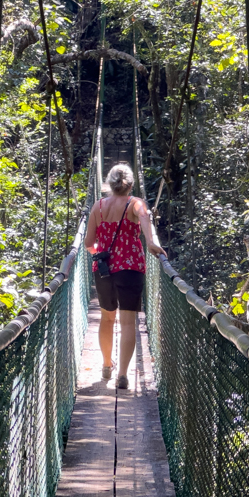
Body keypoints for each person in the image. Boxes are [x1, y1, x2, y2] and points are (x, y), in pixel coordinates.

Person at [84, 163, 166, 389]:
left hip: (104, 271)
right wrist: (150, 242)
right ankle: (122, 374)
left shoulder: (98, 207)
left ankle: (106, 365)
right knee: (129, 322)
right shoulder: (135, 203)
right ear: (130, 184)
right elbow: (145, 220)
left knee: (107, 318)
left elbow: (88, 244)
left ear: (109, 184)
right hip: (130, 270)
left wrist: (101, 254)